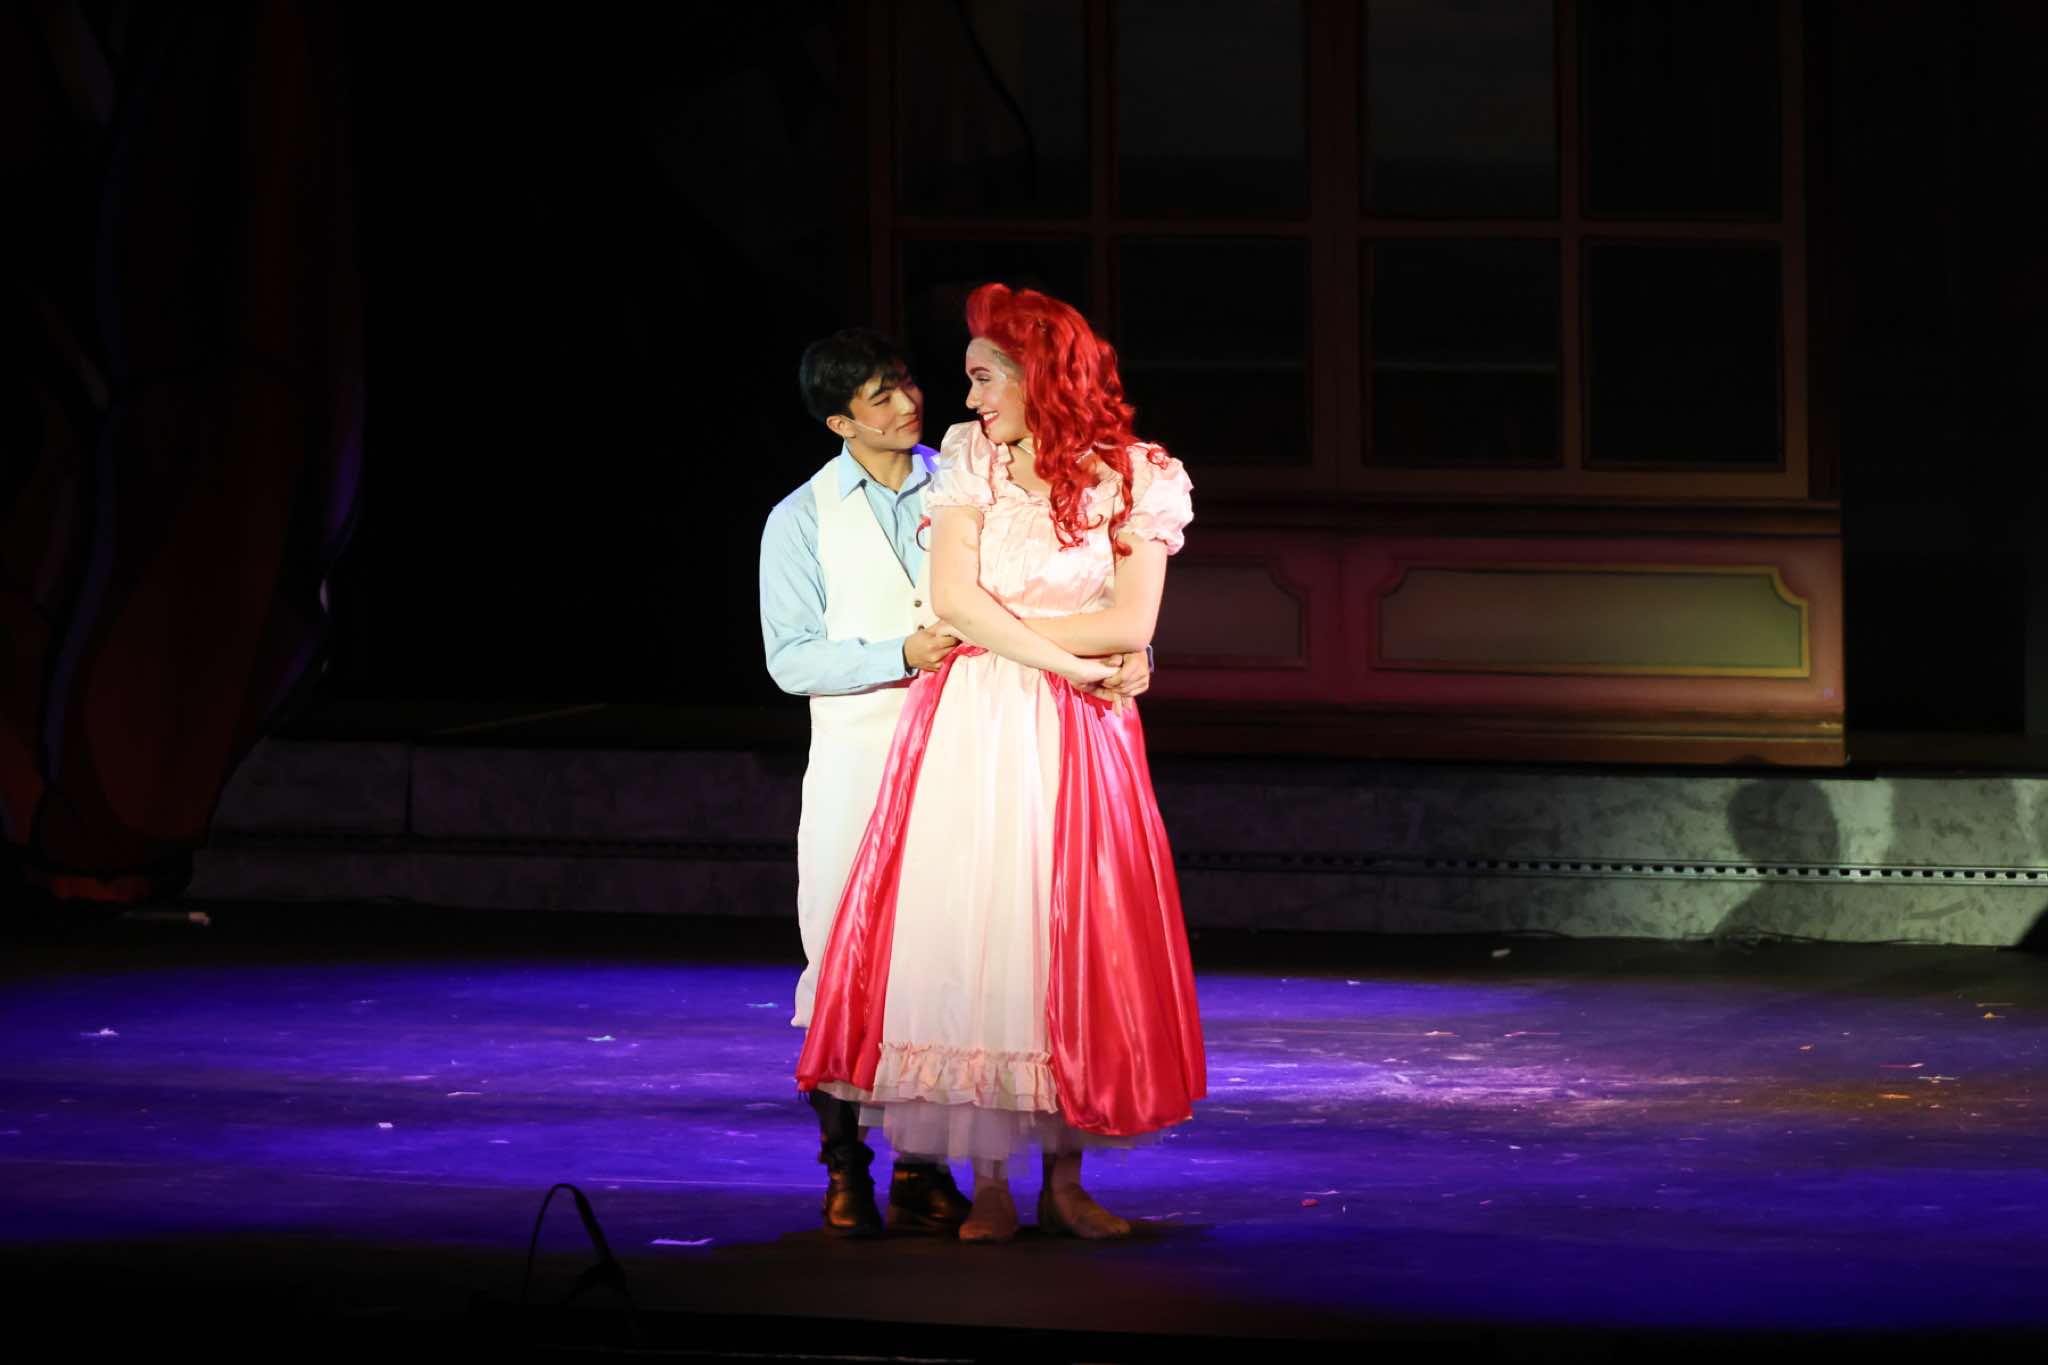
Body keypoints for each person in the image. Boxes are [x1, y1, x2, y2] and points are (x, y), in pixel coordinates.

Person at [797, 284, 1206, 1244]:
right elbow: (956, 602)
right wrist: (1078, 659)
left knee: (1067, 935)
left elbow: (1131, 618)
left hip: (1076, 734)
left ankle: (1066, 1181)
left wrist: (1068, 646)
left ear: (1040, 377)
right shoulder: (970, 461)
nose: (970, 398)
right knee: (980, 933)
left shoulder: (1138, 474)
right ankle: (988, 1183)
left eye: (986, 377)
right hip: (978, 722)